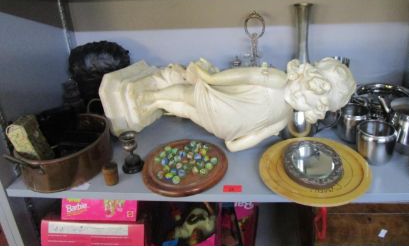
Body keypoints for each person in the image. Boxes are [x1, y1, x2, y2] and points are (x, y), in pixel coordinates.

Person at [99, 57, 356, 152]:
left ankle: (151, 100)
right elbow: (246, 77)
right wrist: (234, 144)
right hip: (224, 124)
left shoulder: (280, 86)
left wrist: (213, 79)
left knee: (188, 99)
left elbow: (245, 76)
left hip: (222, 110)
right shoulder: (281, 96)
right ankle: (152, 101)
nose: (306, 98)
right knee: (188, 106)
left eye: (314, 101)